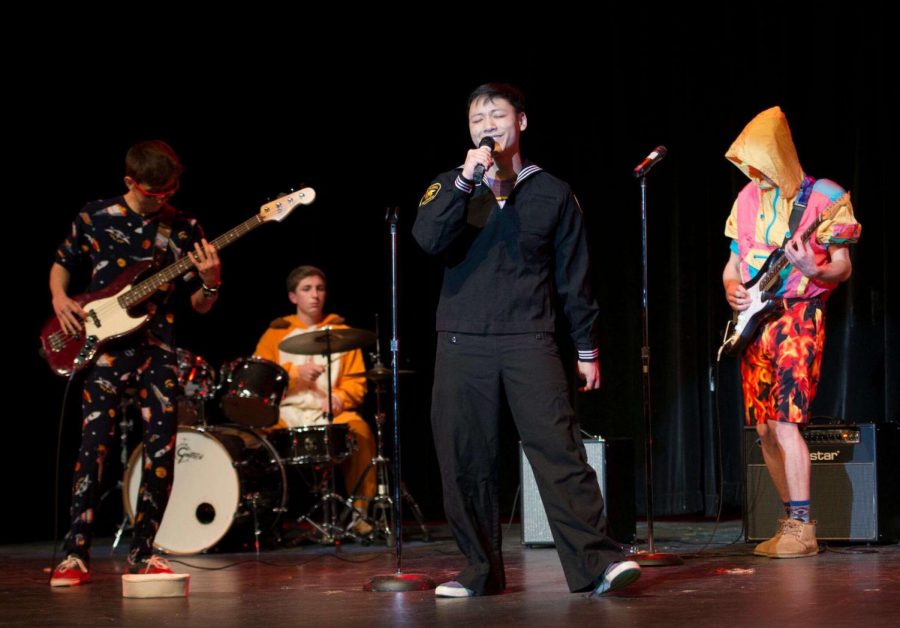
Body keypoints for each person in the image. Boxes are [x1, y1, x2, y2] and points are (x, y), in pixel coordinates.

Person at [412, 83, 640, 598]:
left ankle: (596, 564)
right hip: (460, 342)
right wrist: (466, 183)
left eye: (496, 114)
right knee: (464, 459)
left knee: (560, 454)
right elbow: (428, 240)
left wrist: (587, 349)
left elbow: (574, 277)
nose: (486, 125)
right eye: (476, 119)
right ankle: (479, 571)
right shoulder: (450, 185)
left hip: (529, 339)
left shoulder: (553, 192)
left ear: (522, 122)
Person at [48, 141, 221, 595]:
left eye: (171, 191)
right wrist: (59, 298)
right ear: (130, 183)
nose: (163, 199)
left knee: (162, 453)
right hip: (104, 348)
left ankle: (144, 551)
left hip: (158, 349)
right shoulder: (95, 216)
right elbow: (61, 263)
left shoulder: (183, 228)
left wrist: (210, 281)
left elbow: (201, 307)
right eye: (153, 193)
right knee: (93, 449)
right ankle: (74, 552)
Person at [722, 106, 861, 558]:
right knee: (763, 428)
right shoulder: (744, 200)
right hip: (756, 324)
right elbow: (733, 265)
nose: (755, 173)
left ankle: (804, 528)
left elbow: (841, 267)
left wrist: (811, 265)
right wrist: (732, 290)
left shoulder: (824, 196)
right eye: (749, 165)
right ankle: (789, 521)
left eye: (762, 163)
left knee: (786, 421)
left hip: (799, 318)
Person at [254, 265, 376, 535]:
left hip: (328, 412)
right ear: (293, 297)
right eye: (307, 289)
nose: (315, 295)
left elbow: (357, 383)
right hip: (287, 411)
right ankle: (266, 520)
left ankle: (360, 514)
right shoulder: (276, 333)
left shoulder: (343, 331)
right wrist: (295, 373)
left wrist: (340, 397)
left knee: (361, 431)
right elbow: (260, 380)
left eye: (320, 288)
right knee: (255, 441)